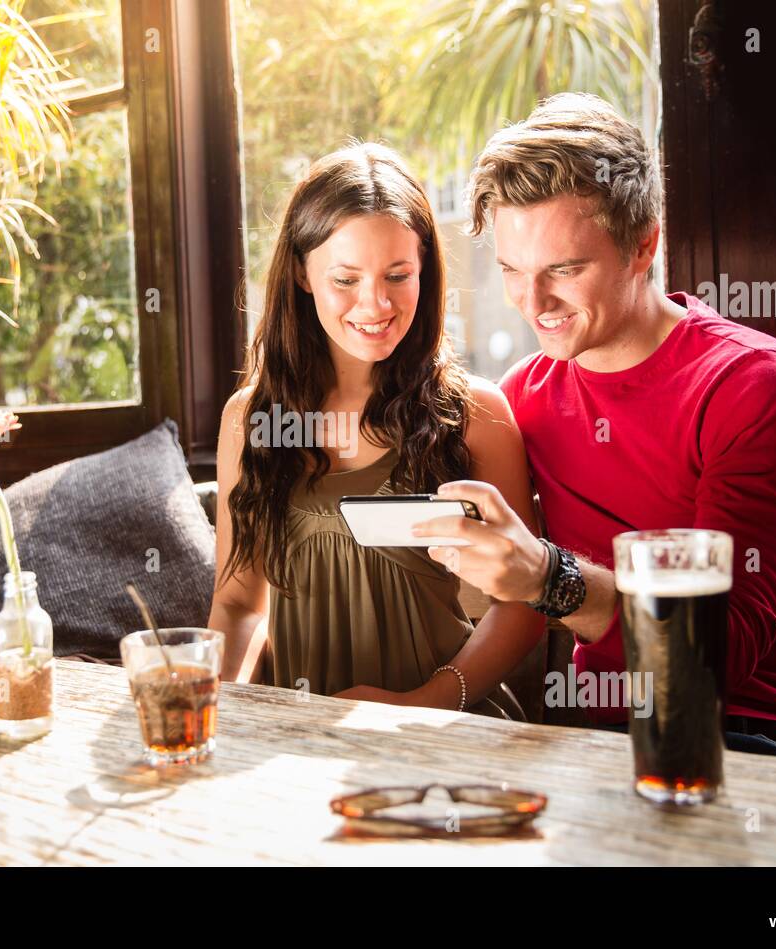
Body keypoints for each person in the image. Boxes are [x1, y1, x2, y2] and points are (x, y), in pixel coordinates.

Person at [413, 93, 776, 765]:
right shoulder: (524, 397)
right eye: (512, 272)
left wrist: (551, 578)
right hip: (609, 745)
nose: (533, 303)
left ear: (645, 246)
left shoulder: (758, 389)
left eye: (565, 270)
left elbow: (715, 655)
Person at [208, 143, 546, 717]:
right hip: (296, 740)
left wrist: (423, 705)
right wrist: (228, 714)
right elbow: (240, 604)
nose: (376, 303)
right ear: (301, 272)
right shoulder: (250, 422)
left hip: (445, 729)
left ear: (425, 273)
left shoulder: (476, 415)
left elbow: (523, 605)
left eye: (398, 275)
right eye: (345, 278)